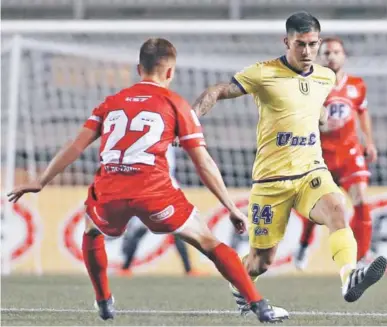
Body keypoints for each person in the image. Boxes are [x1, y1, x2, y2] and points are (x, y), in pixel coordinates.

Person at [7, 38, 287, 323]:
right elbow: (202, 162)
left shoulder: (111, 103)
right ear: (170, 72)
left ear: (138, 68)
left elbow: (75, 146)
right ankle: (259, 305)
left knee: (92, 231)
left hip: (111, 192)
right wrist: (231, 207)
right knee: (209, 242)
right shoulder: (176, 104)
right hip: (155, 194)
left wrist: (41, 181)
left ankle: (103, 300)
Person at [192, 11, 387, 315]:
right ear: (287, 41)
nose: (307, 52)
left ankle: (350, 275)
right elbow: (219, 90)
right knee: (261, 261)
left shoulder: (326, 76)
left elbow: (317, 109)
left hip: (311, 171)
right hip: (271, 181)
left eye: (312, 44)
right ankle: (240, 285)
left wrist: (322, 120)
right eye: (300, 44)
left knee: (338, 206)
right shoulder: (263, 73)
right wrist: (191, 120)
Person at [294, 36, 378, 270]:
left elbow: (362, 111)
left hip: (350, 154)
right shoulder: (311, 85)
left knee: (361, 200)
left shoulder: (357, 85)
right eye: (327, 53)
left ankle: (361, 257)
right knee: (318, 210)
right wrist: (317, 124)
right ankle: (303, 243)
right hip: (320, 157)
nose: (331, 57)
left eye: (336, 52)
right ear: (320, 58)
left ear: (344, 56)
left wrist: (369, 141)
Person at [118, 146, 205, 277]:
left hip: (164, 187)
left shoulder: (166, 137)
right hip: (152, 187)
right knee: (144, 229)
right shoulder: (151, 140)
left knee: (176, 229)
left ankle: (188, 269)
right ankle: (125, 267)